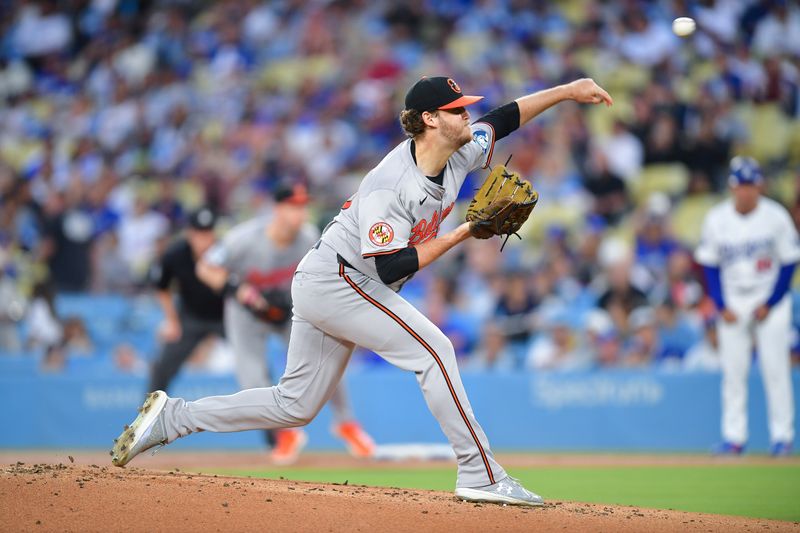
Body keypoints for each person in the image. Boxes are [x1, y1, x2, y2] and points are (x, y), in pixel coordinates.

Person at [111, 75, 613, 506]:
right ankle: (480, 473)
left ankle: (173, 418)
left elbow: (504, 118)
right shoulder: (390, 184)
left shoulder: (459, 150)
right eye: (458, 110)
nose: (469, 116)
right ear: (431, 119)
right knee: (434, 351)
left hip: (331, 281)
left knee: (295, 405)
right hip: (341, 279)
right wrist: (463, 232)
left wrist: (568, 91)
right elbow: (391, 263)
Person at [196, 183, 376, 464]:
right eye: (293, 206)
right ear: (277, 209)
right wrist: (238, 289)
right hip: (247, 314)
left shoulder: (308, 236)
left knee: (326, 360)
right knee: (252, 380)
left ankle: (346, 423)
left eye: (303, 206)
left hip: (290, 309)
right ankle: (284, 435)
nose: (300, 212)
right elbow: (205, 267)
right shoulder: (243, 239)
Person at [695, 156, 800, 457]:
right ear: (732, 186)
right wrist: (720, 304)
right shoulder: (717, 218)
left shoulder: (775, 216)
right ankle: (734, 438)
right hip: (733, 300)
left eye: (751, 185)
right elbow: (710, 265)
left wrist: (772, 301)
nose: (746, 191)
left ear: (760, 186)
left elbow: (790, 261)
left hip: (769, 298)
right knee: (733, 372)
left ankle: (782, 437)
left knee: (776, 369)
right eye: (741, 185)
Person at [147, 208, 224, 393]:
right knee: (162, 367)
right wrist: (172, 321)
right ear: (190, 233)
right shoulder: (176, 254)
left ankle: (276, 415)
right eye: (199, 233)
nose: (204, 239)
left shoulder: (226, 251)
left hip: (225, 316)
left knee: (253, 359)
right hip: (191, 316)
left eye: (208, 233)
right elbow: (161, 286)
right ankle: (150, 415)